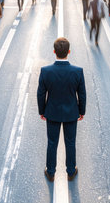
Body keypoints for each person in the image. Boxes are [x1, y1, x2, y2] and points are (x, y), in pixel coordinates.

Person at [37, 37, 86, 183]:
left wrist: (42, 111)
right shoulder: (78, 72)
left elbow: (41, 93)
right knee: (70, 142)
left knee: (52, 142)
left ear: (54, 51)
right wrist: (81, 111)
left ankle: (50, 172)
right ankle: (71, 171)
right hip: (71, 113)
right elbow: (82, 94)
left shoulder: (46, 71)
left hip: (52, 112)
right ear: (69, 52)